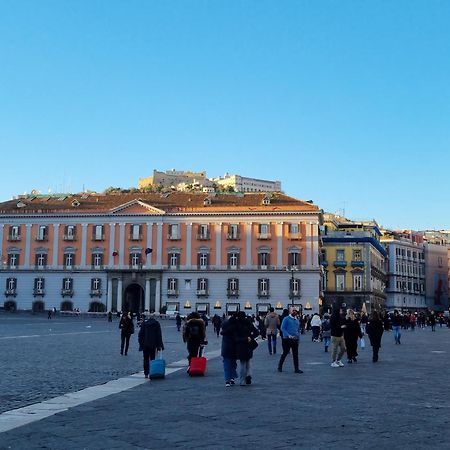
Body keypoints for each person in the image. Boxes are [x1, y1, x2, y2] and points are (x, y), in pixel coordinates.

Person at [234, 311, 259, 385]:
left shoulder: (237, 325)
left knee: (242, 363)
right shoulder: (249, 323)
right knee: (248, 361)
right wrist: (250, 337)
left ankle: (242, 381)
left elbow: (235, 338)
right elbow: (257, 332)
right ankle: (248, 375)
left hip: (241, 345)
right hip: (249, 345)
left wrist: (244, 339)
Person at [138, 313, 164, 378]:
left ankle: (146, 373)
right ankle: (152, 371)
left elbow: (140, 335)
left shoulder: (144, 324)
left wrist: (141, 344)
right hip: (153, 344)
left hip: (145, 344)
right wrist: (159, 345)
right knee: (152, 359)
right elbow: (159, 335)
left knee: (145, 359)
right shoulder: (156, 324)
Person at [278, 309, 303, 374]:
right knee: (285, 353)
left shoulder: (297, 320)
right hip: (287, 339)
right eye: (293, 310)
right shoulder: (286, 319)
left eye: (296, 311)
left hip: (295, 339)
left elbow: (298, 330)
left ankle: (296, 369)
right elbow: (282, 328)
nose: (294, 312)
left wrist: (298, 338)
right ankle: (280, 367)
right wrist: (288, 335)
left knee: (295, 354)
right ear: (290, 311)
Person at [221, 313, 238, 387]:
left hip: (226, 348)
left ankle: (227, 380)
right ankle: (232, 378)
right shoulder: (236, 329)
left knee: (226, 364)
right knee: (233, 364)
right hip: (234, 348)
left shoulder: (225, 329)